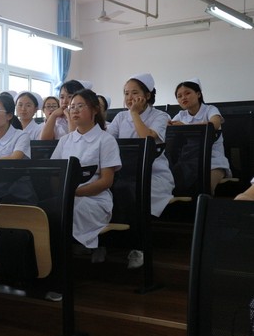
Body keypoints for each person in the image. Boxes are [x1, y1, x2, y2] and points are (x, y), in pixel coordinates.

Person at [107, 73, 175, 269]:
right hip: (123, 173)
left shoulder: (160, 116)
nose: (129, 97)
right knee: (106, 189)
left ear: (147, 95)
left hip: (153, 175)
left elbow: (148, 140)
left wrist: (135, 114)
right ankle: (105, 244)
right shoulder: (120, 117)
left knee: (131, 192)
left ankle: (138, 246)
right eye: (126, 93)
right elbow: (107, 142)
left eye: (134, 93)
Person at [51, 89, 121, 263]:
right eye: (72, 106)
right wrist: (63, 193)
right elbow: (54, 172)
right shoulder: (65, 140)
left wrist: (74, 193)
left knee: (68, 209)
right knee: (45, 209)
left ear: (95, 110)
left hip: (95, 200)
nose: (74, 110)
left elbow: (106, 180)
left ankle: (66, 257)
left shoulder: (106, 140)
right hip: (67, 196)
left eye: (80, 106)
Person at [168, 78, 231, 194]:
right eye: (179, 96)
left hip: (212, 161)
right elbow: (170, 130)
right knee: (170, 184)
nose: (183, 98)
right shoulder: (181, 115)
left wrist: (185, 127)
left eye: (187, 93)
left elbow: (214, 124)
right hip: (187, 161)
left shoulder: (210, 109)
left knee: (205, 187)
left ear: (198, 94)